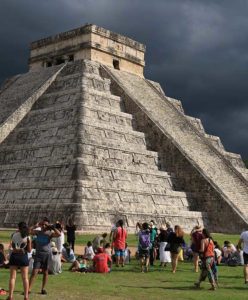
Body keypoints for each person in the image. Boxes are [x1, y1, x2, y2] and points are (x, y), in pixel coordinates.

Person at [29, 218, 61, 295]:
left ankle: (43, 289)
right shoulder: (38, 232)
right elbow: (28, 231)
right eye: (42, 224)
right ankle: (28, 289)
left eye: (45, 224)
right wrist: (35, 225)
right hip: (38, 255)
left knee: (45, 272)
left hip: (47, 255)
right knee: (34, 272)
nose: (43, 226)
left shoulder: (50, 233)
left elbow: (59, 234)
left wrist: (52, 227)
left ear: (48, 225)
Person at [8, 222, 31, 300]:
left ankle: (10, 296)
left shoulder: (14, 235)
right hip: (23, 257)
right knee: (25, 278)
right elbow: (29, 250)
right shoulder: (28, 237)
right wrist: (22, 249)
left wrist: (17, 249)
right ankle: (26, 296)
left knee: (12, 278)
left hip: (14, 256)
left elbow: (13, 247)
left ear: (19, 227)